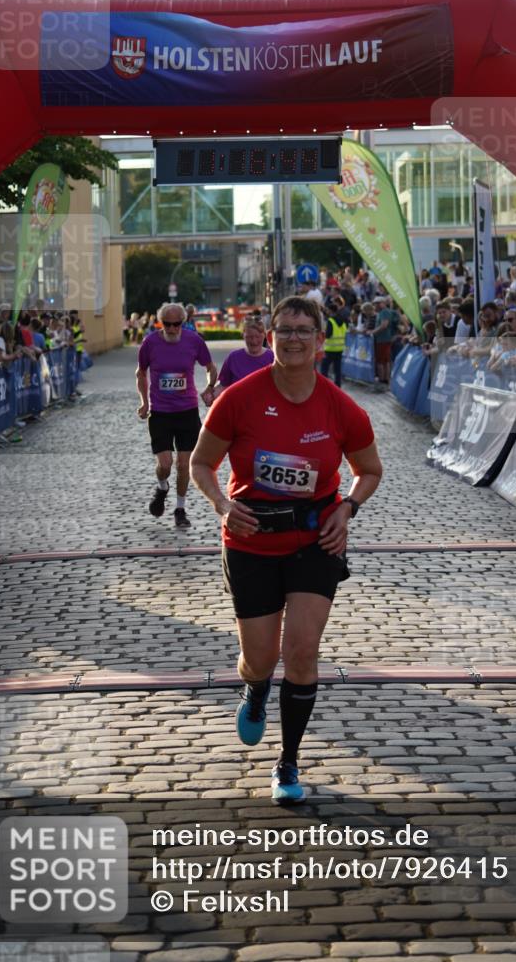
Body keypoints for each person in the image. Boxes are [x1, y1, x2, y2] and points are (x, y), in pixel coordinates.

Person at [190, 296, 382, 803]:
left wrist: (348, 508)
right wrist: (222, 506)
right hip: (251, 540)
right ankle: (254, 688)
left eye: (303, 330)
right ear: (270, 337)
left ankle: (288, 762)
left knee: (300, 653)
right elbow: (201, 464)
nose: (293, 338)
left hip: (315, 542)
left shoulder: (342, 408)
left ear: (321, 341)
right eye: (284, 330)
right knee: (260, 659)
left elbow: (370, 471)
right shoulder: (238, 398)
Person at [136, 302, 218, 529]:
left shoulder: (194, 341)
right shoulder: (150, 343)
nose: (172, 329)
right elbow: (141, 373)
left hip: (187, 411)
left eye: (177, 324)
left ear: (183, 322)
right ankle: (162, 487)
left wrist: (210, 387)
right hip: (160, 412)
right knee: (165, 464)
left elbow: (210, 367)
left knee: (184, 465)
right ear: (160, 322)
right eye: (167, 324)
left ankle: (180, 509)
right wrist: (144, 402)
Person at [215, 316, 274, 394]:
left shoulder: (273, 358)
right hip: (238, 405)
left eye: (258, 337)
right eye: (249, 337)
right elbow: (222, 385)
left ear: (264, 335)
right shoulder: (233, 358)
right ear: (243, 335)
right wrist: (211, 394)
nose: (254, 341)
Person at [321, 297, 348, 387]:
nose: (327, 312)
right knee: (337, 369)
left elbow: (328, 335)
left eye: (328, 310)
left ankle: (323, 385)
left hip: (330, 348)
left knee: (324, 368)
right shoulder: (343, 320)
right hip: (340, 348)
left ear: (331, 310)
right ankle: (338, 386)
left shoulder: (331, 321)